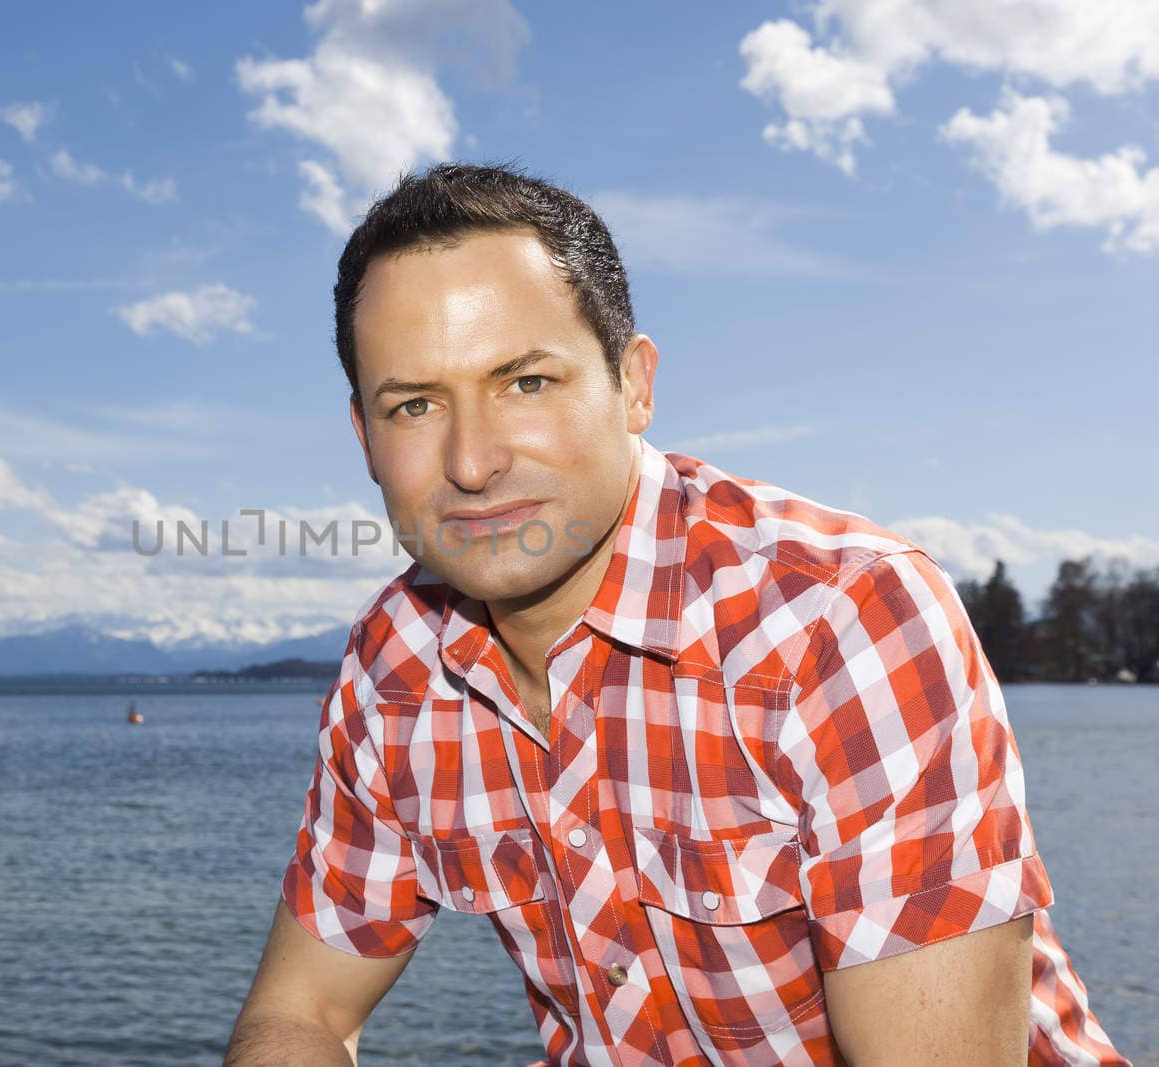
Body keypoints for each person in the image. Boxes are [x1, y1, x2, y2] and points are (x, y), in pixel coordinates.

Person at [223, 163, 1128, 1066]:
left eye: (526, 382)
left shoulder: (839, 623)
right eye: (414, 404)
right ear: (364, 440)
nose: (472, 460)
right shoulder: (395, 670)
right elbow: (298, 1014)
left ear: (634, 384)